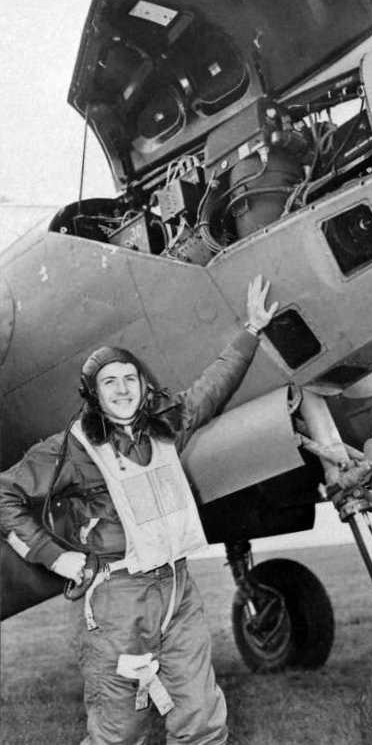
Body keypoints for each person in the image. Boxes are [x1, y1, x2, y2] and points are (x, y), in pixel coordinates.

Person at [0, 274, 278, 745]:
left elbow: (212, 388)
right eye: (110, 382)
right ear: (94, 394)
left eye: (131, 379)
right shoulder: (71, 449)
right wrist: (54, 556)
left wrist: (250, 331)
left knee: (203, 720)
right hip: (118, 601)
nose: (124, 389)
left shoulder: (166, 428)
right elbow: (5, 496)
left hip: (177, 591)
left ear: (145, 388)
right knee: (118, 732)